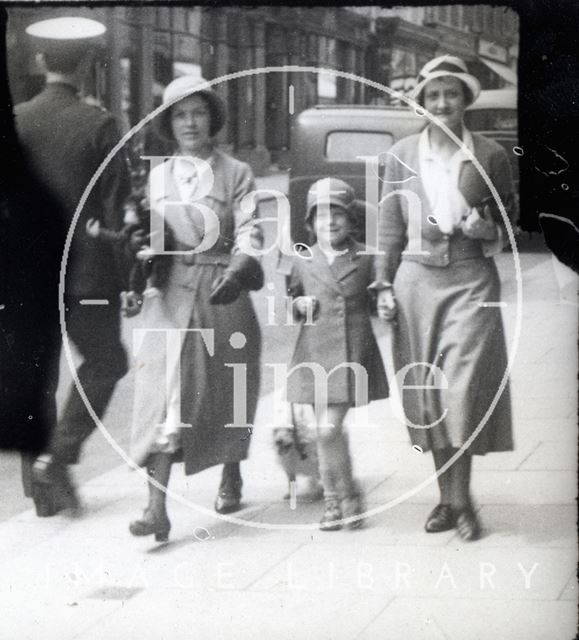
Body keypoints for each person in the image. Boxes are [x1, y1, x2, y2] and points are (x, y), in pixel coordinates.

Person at [375, 55, 515, 541]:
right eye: (432, 95)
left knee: (463, 390)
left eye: (450, 94)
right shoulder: (400, 155)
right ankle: (446, 500)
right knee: (428, 396)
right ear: (420, 101)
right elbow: (389, 226)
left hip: (472, 279)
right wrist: (381, 284)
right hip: (414, 283)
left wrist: (487, 229)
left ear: (466, 100)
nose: (441, 103)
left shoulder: (491, 156)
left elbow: (510, 230)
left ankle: (463, 500)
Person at [128, 75, 264, 541]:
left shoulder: (236, 173)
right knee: (161, 396)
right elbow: (150, 233)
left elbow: (251, 230)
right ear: (170, 123)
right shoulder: (157, 175)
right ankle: (155, 508)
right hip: (169, 294)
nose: (190, 123)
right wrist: (141, 258)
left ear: (213, 119)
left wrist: (241, 266)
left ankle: (231, 472)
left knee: (226, 386)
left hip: (220, 288)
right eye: (180, 115)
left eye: (198, 113)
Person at [14, 18, 131, 516]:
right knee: (107, 362)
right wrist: (132, 277)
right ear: (87, 64)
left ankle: (42, 492)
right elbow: (119, 210)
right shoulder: (100, 125)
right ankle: (58, 460)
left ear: (39, 62)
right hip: (88, 277)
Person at [285, 178, 389, 531]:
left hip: (350, 353)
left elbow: (384, 294)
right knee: (322, 432)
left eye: (338, 215)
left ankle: (340, 499)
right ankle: (342, 497)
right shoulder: (302, 259)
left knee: (328, 429)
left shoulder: (368, 256)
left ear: (351, 219)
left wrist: (387, 301)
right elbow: (291, 303)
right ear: (310, 222)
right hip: (313, 353)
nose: (330, 223)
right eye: (321, 216)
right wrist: (298, 304)